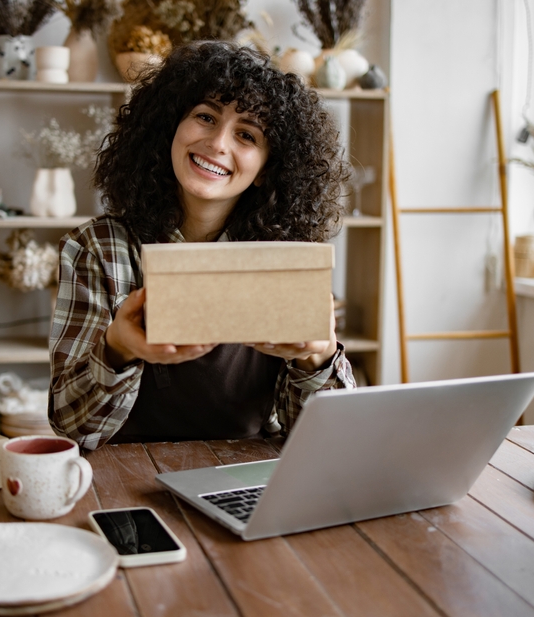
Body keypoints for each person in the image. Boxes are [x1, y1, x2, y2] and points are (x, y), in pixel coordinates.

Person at [48, 41, 355, 450]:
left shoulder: (286, 262)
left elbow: (331, 442)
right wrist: (116, 349)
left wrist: (317, 358)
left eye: (246, 134)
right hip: (122, 481)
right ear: (169, 129)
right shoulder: (98, 248)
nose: (218, 144)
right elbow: (72, 428)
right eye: (206, 117)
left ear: (266, 169)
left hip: (242, 480)